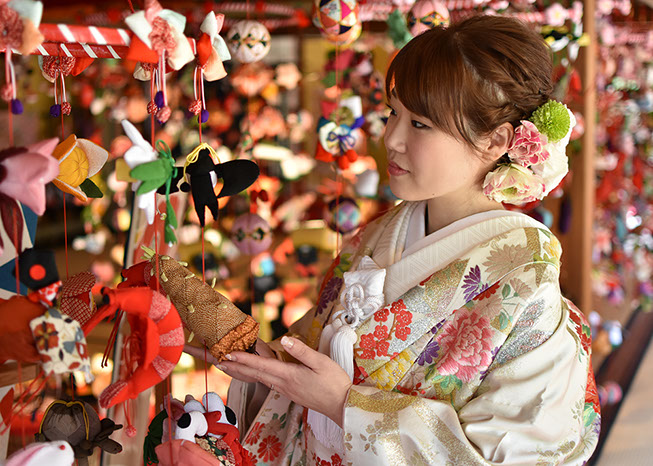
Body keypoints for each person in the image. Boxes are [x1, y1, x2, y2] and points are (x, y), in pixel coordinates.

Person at [186, 15, 600, 465]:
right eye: (393, 113)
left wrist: (345, 405)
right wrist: (261, 364)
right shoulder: (376, 236)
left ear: (495, 140)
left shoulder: (528, 286)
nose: (392, 139)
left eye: (420, 124)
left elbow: (521, 455)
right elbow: (312, 364)